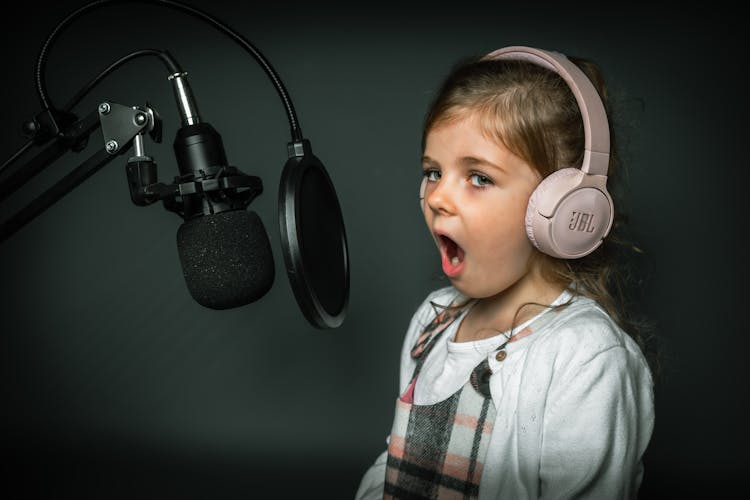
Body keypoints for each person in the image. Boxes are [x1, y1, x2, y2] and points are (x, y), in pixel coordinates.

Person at [355, 45, 656, 500]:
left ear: (561, 208)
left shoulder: (583, 358)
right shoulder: (432, 320)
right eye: (433, 172)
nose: (437, 197)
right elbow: (396, 460)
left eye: (479, 177)